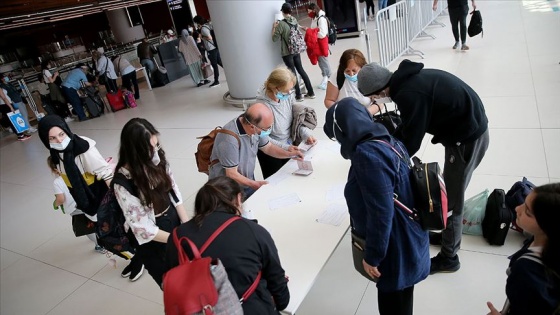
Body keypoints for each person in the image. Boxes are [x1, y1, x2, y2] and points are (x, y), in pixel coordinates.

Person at [357, 60, 490, 274]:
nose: (377, 100)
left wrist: (389, 162)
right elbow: (409, 126)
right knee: (450, 194)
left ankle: (449, 257)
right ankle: (445, 237)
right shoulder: (407, 80)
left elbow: (412, 141)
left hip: (468, 138)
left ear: (380, 90)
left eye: (375, 96)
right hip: (464, 128)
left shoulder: (408, 93)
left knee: (451, 202)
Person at [323, 97, 429, 315]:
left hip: (394, 244)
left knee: (393, 303)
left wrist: (373, 256)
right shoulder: (386, 138)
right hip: (409, 232)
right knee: (403, 298)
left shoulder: (367, 155)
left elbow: (381, 213)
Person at [165, 176, 290, 314]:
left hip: (199, 308)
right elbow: (279, 287)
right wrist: (281, 302)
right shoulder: (253, 231)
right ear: (238, 199)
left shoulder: (176, 237)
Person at [113, 118, 189, 287]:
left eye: (156, 145)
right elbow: (143, 229)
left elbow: (173, 190)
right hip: (153, 238)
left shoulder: (157, 158)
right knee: (172, 283)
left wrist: (186, 224)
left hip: (171, 217)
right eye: (150, 148)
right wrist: (178, 240)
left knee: (190, 270)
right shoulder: (123, 181)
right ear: (135, 152)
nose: (155, 151)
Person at [486, 183, 560, 315]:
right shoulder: (542, 240)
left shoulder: (526, 272)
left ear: (547, 225)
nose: (517, 208)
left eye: (527, 212)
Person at [208, 103, 303, 199]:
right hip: (227, 189)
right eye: (266, 128)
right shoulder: (229, 140)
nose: (268, 130)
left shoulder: (255, 126)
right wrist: (255, 184)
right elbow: (231, 174)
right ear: (252, 126)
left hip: (246, 180)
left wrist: (290, 154)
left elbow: (268, 147)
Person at [255, 67, 316, 178]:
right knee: (276, 180)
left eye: (291, 89)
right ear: (275, 88)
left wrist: (305, 134)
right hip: (271, 150)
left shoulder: (288, 95)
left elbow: (295, 119)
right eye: (286, 90)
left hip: (288, 144)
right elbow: (263, 138)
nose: (289, 93)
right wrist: (284, 148)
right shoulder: (261, 106)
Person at [47, 156, 104, 253]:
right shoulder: (80, 174)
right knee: (96, 221)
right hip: (89, 204)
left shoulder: (58, 182)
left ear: (55, 169)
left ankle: (99, 245)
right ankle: (105, 236)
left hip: (76, 210)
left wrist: (55, 204)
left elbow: (60, 199)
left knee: (88, 228)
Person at [272, 3, 315, 102]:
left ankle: (299, 95)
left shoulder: (281, 24)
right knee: (301, 70)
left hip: (287, 53)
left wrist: (274, 27)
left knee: (292, 74)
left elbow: (274, 39)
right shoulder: (294, 20)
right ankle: (311, 92)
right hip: (296, 50)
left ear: (282, 12)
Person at [324, 49, 379, 116]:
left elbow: (380, 102)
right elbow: (329, 100)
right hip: (344, 118)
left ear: (361, 67)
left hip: (366, 117)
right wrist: (342, 111)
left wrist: (364, 113)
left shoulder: (370, 77)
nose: (351, 74)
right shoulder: (336, 77)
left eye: (354, 70)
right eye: (347, 71)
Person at [307, 3, 331, 90]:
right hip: (316, 43)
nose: (308, 13)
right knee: (321, 61)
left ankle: (327, 78)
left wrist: (310, 32)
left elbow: (322, 34)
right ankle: (325, 77)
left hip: (321, 43)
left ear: (314, 10)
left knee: (323, 60)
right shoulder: (314, 18)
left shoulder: (321, 19)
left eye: (309, 11)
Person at [193, 15, 223, 88]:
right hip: (214, 47)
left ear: (198, 22)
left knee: (214, 65)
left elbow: (209, 38)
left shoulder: (203, 29)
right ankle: (231, 74)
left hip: (211, 49)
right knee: (219, 62)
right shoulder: (207, 25)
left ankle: (216, 81)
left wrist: (201, 37)